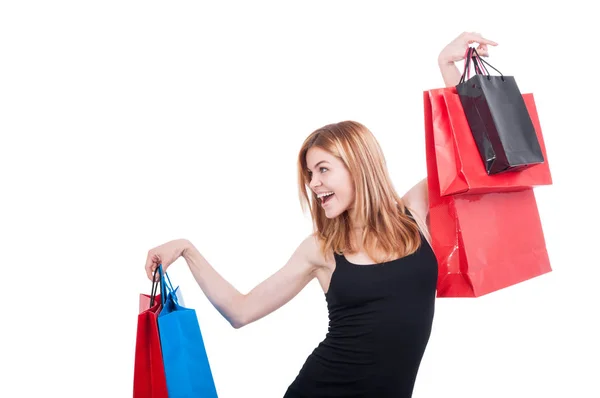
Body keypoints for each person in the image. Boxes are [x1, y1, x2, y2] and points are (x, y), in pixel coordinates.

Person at [144, 31, 498, 398]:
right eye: (310, 174)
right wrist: (187, 249)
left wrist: (447, 69)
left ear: (358, 166)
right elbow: (241, 311)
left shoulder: (415, 211)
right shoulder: (322, 249)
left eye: (323, 169)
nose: (313, 183)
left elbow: (475, 155)